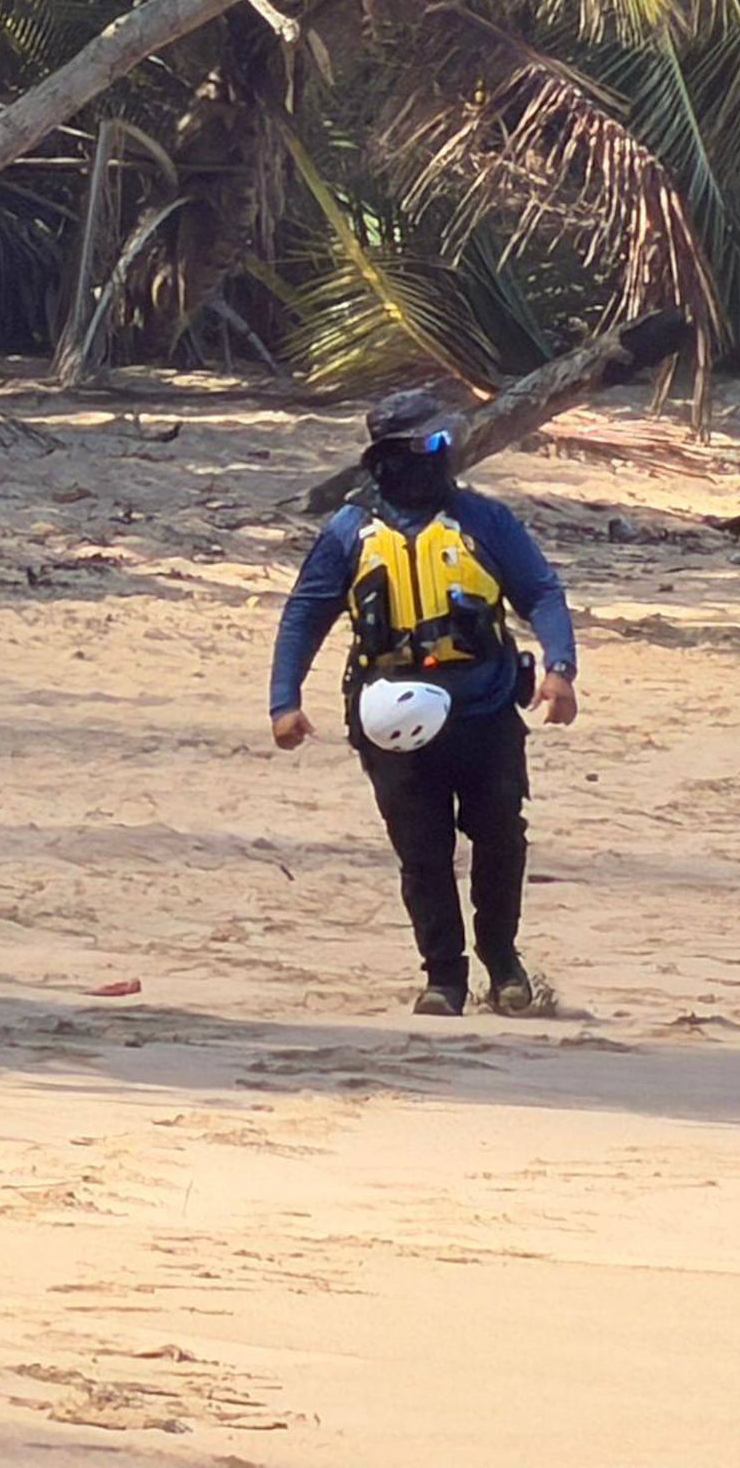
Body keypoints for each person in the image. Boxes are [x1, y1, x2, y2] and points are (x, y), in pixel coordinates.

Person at [269, 390, 578, 1016]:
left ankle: (503, 961)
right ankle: (444, 978)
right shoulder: (347, 533)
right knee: (422, 851)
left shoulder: (486, 522)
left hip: (485, 710)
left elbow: (540, 591)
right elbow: (306, 613)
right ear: (389, 459)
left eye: (448, 443)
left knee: (500, 837)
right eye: (432, 445)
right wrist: (285, 700)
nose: (445, 456)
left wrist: (560, 670)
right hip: (390, 724)